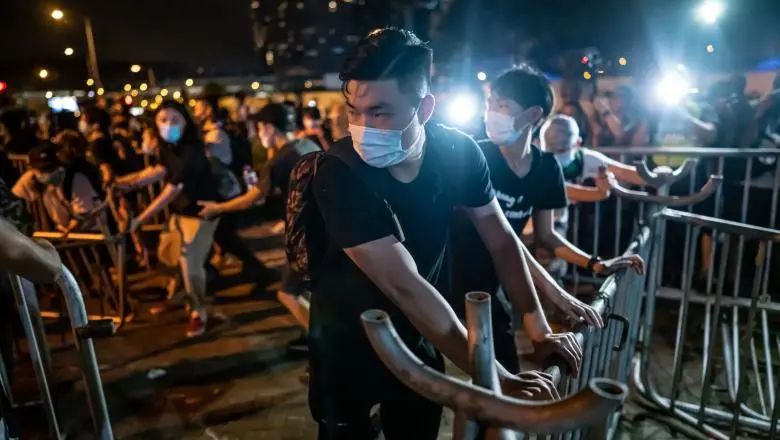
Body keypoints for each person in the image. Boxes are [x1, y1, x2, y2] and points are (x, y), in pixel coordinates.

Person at [301, 28, 595, 439]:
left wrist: (538, 326)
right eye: (353, 111)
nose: (362, 127)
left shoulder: (458, 152)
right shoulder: (339, 175)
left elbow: (501, 239)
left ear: (424, 108)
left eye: (380, 112)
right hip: (345, 348)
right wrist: (496, 376)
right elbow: (404, 284)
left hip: (422, 337)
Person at [199, 102, 318, 350]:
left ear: (269, 127)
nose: (257, 133)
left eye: (259, 127)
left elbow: (253, 198)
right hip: (322, 229)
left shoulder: (279, 159)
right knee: (309, 293)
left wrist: (217, 208)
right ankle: (314, 335)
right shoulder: (306, 145)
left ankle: (322, 344)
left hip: (305, 237)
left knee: (287, 293)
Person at [116, 100, 222, 338]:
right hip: (179, 214)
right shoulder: (167, 148)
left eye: (175, 120)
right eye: (163, 120)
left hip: (201, 215)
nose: (168, 125)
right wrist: (126, 183)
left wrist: (139, 220)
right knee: (169, 256)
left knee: (190, 266)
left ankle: (198, 313)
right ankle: (177, 297)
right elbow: (159, 171)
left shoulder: (192, 152)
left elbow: (170, 191)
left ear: (186, 122)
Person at [12, 142, 105, 233]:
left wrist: (70, 227)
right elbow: (11, 200)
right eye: (42, 169)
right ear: (33, 169)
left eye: (50, 168)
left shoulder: (76, 179)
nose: (47, 173)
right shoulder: (31, 179)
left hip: (92, 232)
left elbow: (83, 215)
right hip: (63, 231)